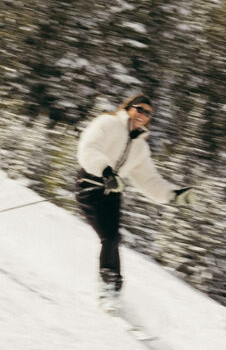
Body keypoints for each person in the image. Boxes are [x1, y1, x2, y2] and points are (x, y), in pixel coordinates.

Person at [75, 94, 193, 306]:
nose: (142, 115)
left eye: (148, 113)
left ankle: (114, 289)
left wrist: (172, 195)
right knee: (108, 238)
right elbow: (89, 147)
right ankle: (107, 288)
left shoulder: (140, 147)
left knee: (113, 238)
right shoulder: (108, 123)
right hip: (90, 182)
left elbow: (148, 179)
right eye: (139, 109)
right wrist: (105, 171)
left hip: (113, 191)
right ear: (128, 108)